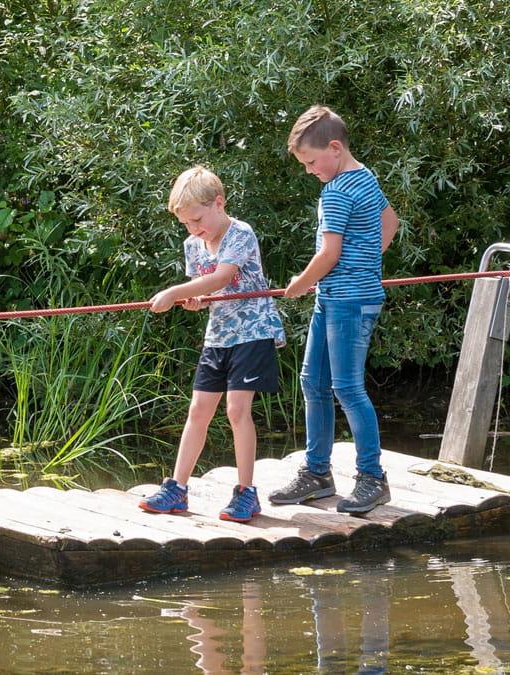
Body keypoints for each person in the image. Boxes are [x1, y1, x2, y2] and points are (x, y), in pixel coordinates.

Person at [269, 105, 400, 513]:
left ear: (335, 148)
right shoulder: (365, 177)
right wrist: (366, 263)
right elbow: (390, 221)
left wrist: (300, 284)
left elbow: (329, 252)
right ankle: (317, 474)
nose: (309, 170)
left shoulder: (339, 190)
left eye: (311, 161)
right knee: (313, 382)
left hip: (348, 303)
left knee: (347, 388)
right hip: (337, 298)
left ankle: (373, 478)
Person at [138, 165, 286, 522]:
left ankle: (246, 492)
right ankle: (177, 487)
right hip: (218, 335)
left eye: (197, 219)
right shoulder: (193, 244)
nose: (193, 229)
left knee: (237, 410)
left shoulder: (241, 233)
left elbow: (222, 276)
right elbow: (208, 289)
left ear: (219, 203)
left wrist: (174, 292)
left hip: (253, 331)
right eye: (186, 223)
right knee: (198, 411)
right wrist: (195, 300)